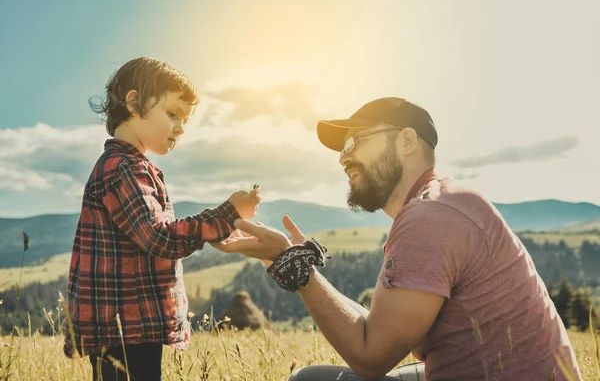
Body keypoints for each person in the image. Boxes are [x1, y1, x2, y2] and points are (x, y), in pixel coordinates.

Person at [214, 97, 583, 380]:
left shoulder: (429, 217)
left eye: (355, 141)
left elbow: (371, 356)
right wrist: (295, 261)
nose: (343, 158)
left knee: (308, 380)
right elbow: (381, 326)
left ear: (407, 140)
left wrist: (297, 270)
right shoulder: (439, 203)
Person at [63, 57, 261, 381]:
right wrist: (227, 214)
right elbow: (160, 238)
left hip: (130, 325)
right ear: (134, 102)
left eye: (185, 120)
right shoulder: (121, 169)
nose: (181, 127)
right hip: (124, 328)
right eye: (173, 114)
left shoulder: (130, 167)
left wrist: (220, 229)